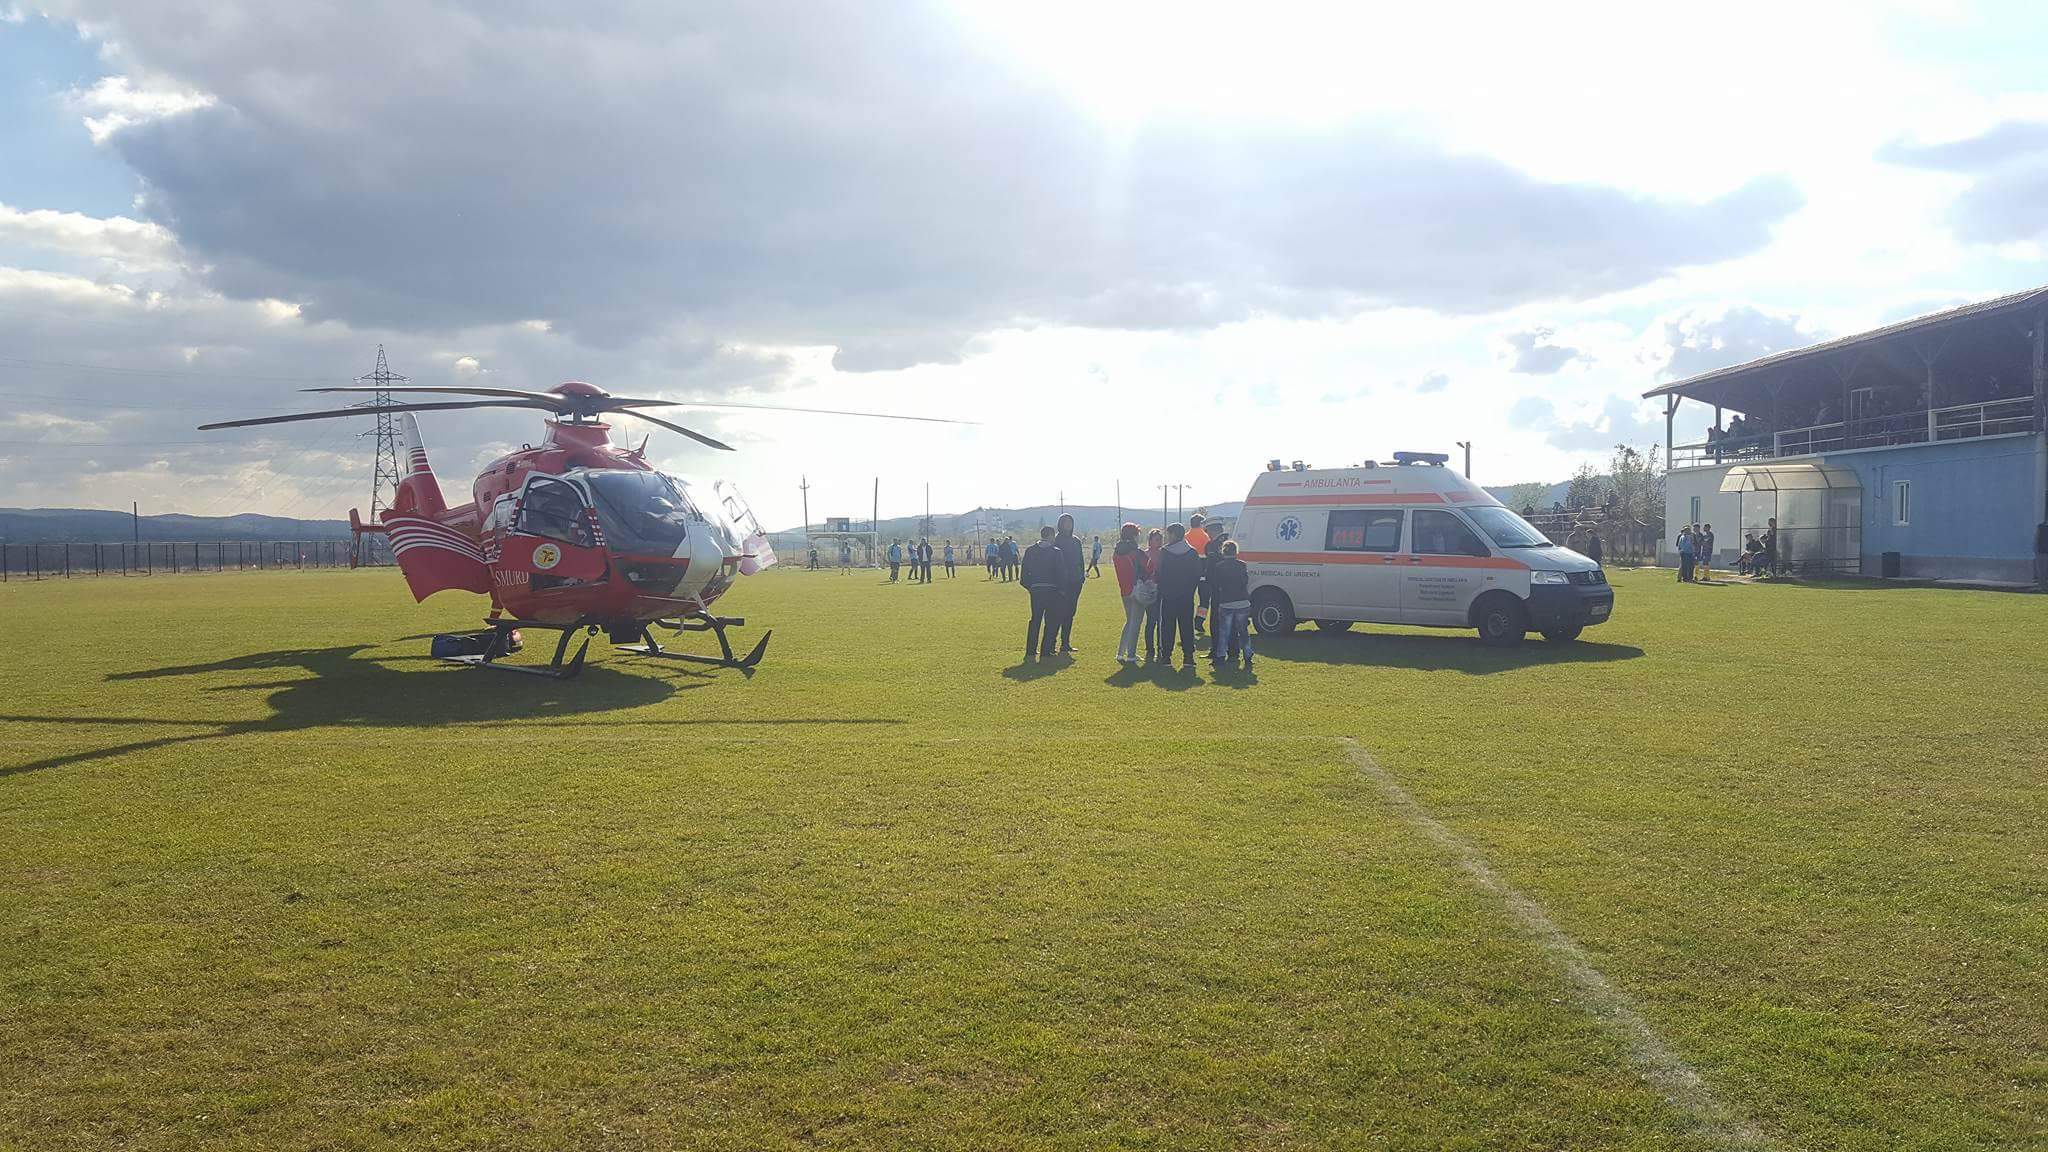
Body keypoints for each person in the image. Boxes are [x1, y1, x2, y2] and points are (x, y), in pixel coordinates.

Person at [1156, 523, 1203, 668]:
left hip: (1168, 596)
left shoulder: (1165, 552)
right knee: (1187, 626)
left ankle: (1166, 657)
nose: (1167, 537)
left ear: (1174, 535)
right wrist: (1190, 590)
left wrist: (1163, 589)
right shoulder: (1192, 552)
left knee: (1167, 626)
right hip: (1186, 596)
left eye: (1168, 534)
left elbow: (1159, 573)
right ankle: (1188, 657)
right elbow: (1197, 574)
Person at [1020, 525, 1062, 660]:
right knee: (1051, 620)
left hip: (1036, 590)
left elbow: (1024, 573)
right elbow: (1061, 574)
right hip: (1052, 591)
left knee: (1035, 619)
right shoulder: (1056, 552)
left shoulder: (1030, 551)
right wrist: (1061, 590)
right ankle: (1046, 650)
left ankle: (1030, 650)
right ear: (1051, 536)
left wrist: (1030, 587)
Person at [1210, 540, 1253, 670]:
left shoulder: (1219, 566)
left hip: (1226, 602)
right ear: (1236, 552)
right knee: (1243, 631)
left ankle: (1221, 656)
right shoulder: (1242, 565)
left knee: (1224, 632)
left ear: (1223, 552)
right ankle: (1247, 654)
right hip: (1242, 601)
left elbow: (1216, 584)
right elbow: (1245, 581)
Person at [1111, 522, 1147, 664]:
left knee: (1129, 621)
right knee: (1135, 623)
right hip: (1137, 589)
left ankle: (1120, 653)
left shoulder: (1116, 552)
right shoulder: (1136, 552)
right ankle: (1131, 654)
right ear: (1133, 535)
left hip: (1124, 590)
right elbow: (1148, 567)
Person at [1051, 513, 1085, 654]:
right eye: (1065, 522)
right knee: (1058, 613)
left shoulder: (1076, 541)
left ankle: (1065, 643)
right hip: (1061, 582)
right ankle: (1051, 643)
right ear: (1060, 524)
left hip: (1076, 581)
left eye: (1070, 522)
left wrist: (1082, 576)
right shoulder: (1056, 540)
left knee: (1070, 613)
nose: (1068, 525)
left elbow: (1080, 560)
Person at [1185, 514, 1212, 635]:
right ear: (1201, 523)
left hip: (1188, 574)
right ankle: (1199, 621)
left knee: (1188, 599)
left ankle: (1187, 621)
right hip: (1203, 573)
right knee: (1204, 599)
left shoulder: (1185, 537)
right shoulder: (1206, 537)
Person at [1142, 528, 1164, 662]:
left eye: (1161, 539)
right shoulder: (1145, 555)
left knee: (1161, 621)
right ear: (1150, 541)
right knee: (1151, 621)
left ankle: (1161, 648)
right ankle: (1150, 649)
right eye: (1157, 539)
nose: (1159, 542)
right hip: (1150, 591)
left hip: (1162, 590)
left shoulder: (1164, 554)